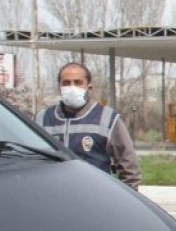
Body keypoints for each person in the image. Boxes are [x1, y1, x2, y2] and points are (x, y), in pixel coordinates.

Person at [36, 62, 141, 190]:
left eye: (78, 82)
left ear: (89, 87)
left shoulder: (107, 118)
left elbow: (129, 167)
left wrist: (126, 201)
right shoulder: (42, 118)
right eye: (66, 83)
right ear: (59, 87)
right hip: (55, 195)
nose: (72, 87)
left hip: (96, 196)